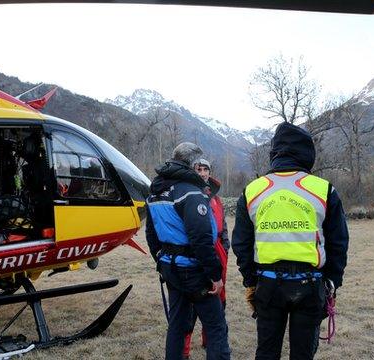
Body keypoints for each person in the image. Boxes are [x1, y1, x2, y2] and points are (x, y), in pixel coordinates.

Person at [232, 122, 349, 360]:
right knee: (303, 354)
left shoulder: (252, 191)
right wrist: (333, 281)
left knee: (266, 352)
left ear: (274, 153)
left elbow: (241, 243)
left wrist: (250, 280)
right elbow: (338, 242)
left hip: (267, 284)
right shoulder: (324, 190)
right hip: (310, 284)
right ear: (307, 153)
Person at [145, 143, 230, 360]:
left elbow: (151, 234)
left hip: (171, 267)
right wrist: (215, 275)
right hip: (193, 270)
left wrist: (161, 260)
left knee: (177, 325)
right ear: (192, 163)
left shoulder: (156, 191)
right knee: (216, 327)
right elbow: (201, 239)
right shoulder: (190, 192)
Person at [183, 158, 230, 359]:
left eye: (205, 169)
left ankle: (209, 341)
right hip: (196, 254)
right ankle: (184, 350)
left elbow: (224, 227)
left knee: (218, 300)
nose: (202, 173)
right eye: (198, 169)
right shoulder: (187, 194)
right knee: (192, 306)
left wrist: (225, 247)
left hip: (218, 253)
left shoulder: (216, 199)